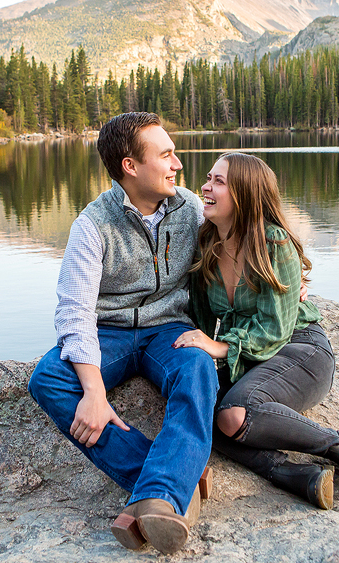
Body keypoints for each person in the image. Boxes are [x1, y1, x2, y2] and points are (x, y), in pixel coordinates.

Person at [28, 112, 216, 555]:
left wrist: (287, 275)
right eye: (166, 155)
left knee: (198, 368)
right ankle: (170, 486)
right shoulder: (93, 225)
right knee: (48, 379)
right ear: (131, 167)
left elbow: (238, 239)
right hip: (108, 333)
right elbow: (74, 313)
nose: (178, 164)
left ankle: (159, 493)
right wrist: (93, 392)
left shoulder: (189, 208)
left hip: (168, 330)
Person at [175, 152, 339, 508]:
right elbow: (198, 317)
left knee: (235, 414)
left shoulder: (273, 243)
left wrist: (219, 347)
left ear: (244, 194)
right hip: (250, 361)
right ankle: (297, 476)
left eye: (218, 181)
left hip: (300, 350)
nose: (205, 186)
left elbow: (275, 329)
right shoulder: (207, 244)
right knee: (203, 414)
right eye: (208, 177)